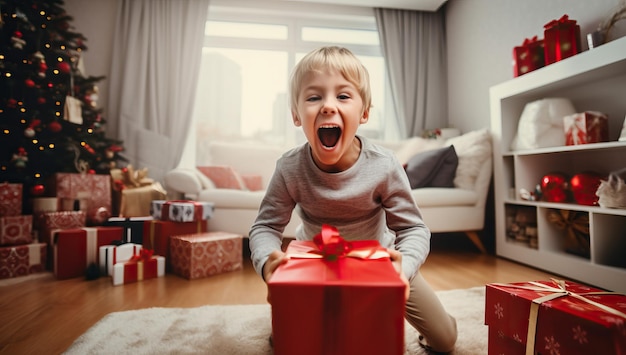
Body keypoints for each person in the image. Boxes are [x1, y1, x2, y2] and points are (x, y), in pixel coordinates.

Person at [249, 46, 457, 353]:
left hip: (381, 267)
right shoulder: (289, 167)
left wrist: (403, 269)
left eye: (343, 96)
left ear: (364, 113)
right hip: (315, 268)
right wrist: (268, 263)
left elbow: (413, 229)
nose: (328, 106)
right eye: (314, 97)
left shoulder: (384, 165)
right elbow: (265, 227)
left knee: (446, 341)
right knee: (290, 343)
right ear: (296, 114)